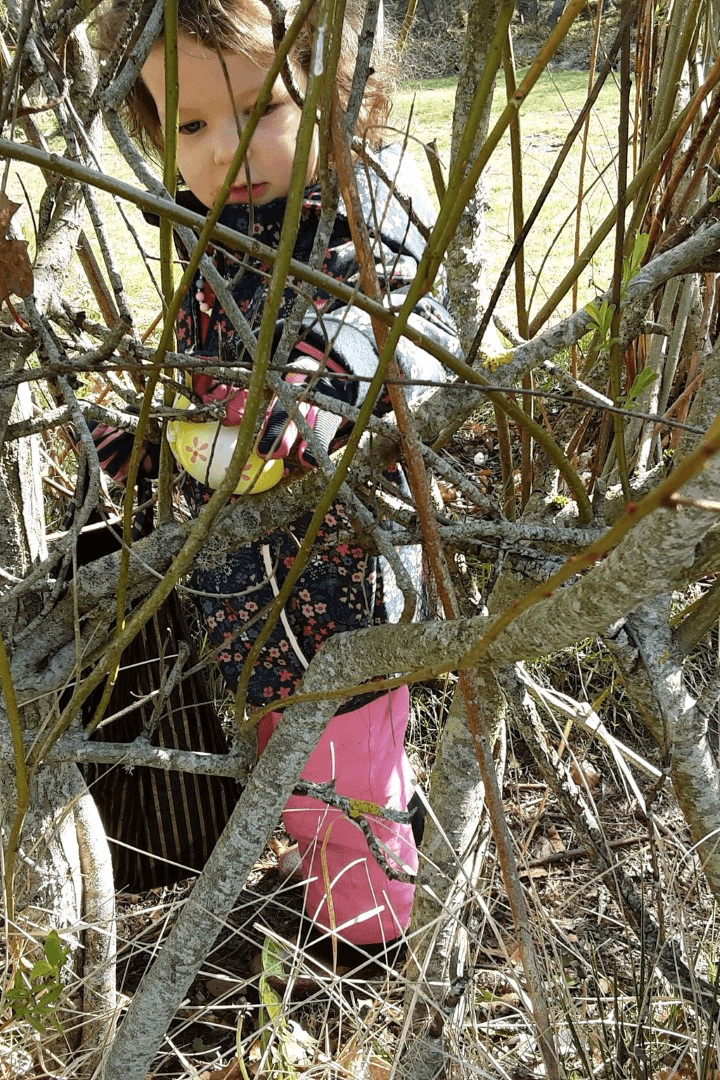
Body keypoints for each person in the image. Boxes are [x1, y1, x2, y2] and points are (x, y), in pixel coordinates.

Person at [90, 0, 459, 954]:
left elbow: (408, 340)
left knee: (342, 775)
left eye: (261, 114)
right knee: (293, 765)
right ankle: (347, 881)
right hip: (246, 595)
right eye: (193, 126)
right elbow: (200, 381)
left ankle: (367, 949)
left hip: (341, 597)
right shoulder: (211, 238)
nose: (230, 152)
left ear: (334, 94)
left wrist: (319, 392)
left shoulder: (359, 215)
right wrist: (149, 434)